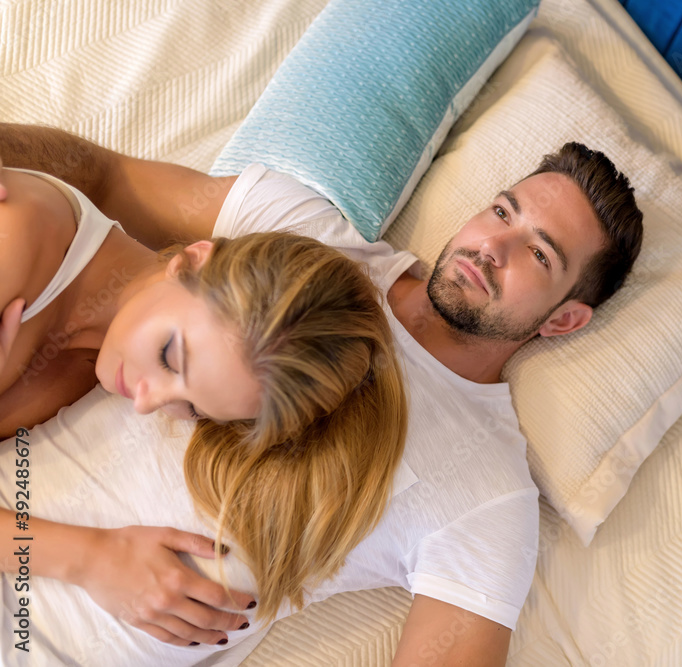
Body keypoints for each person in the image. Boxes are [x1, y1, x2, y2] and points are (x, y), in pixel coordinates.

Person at [0, 124, 643, 665]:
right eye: (503, 211)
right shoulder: (297, 230)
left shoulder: (488, 491)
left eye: (538, 252)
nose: (492, 247)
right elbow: (104, 178)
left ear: (563, 320)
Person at [0, 162, 409, 645]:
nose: (146, 404)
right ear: (192, 260)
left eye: (193, 409)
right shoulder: (18, 241)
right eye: (170, 358)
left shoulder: (99, 356)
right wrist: (90, 557)